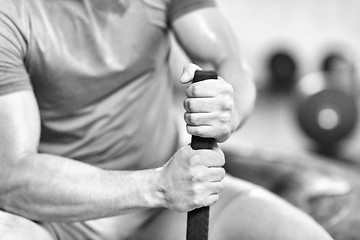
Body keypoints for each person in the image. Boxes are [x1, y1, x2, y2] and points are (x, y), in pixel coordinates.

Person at [0, 0, 333, 239]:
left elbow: (228, 59)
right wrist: (158, 186)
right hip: (59, 217)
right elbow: (12, 176)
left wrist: (227, 110)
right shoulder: (11, 13)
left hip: (168, 212)